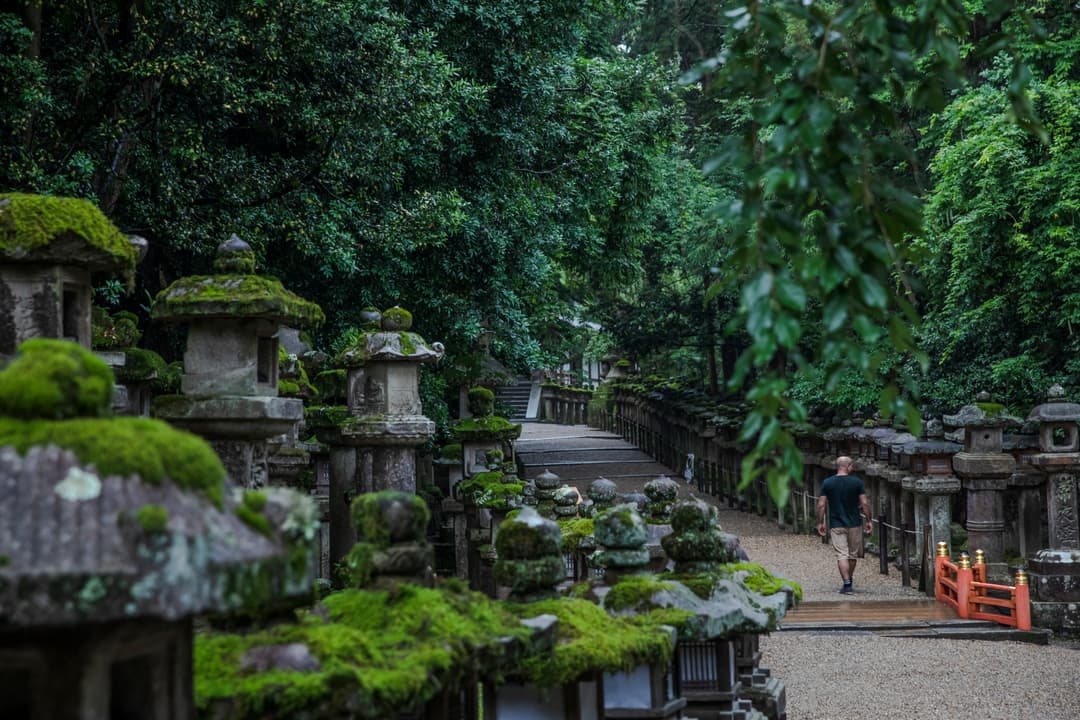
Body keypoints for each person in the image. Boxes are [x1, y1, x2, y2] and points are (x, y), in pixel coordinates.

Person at [817, 456, 873, 594]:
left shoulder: (827, 483)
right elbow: (865, 503)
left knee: (842, 554)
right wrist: (869, 520)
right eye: (852, 465)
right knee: (852, 555)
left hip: (836, 523)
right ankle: (849, 581)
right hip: (854, 522)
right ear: (848, 466)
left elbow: (821, 504)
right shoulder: (857, 482)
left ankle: (847, 583)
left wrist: (820, 522)